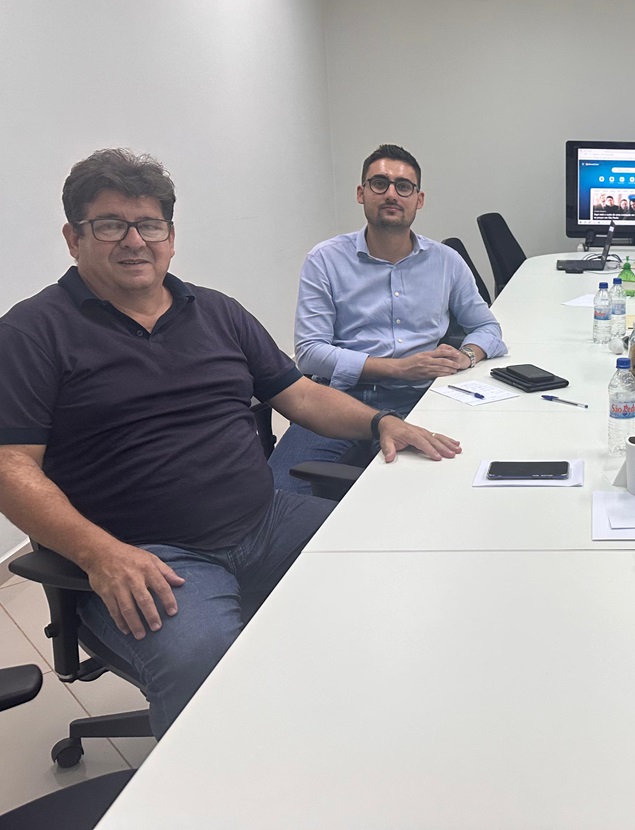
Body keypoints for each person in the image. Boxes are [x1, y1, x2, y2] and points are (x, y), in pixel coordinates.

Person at [0, 149, 461, 737]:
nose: (135, 242)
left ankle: (359, 733)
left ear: (171, 237)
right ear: (73, 238)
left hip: (265, 520)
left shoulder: (216, 311)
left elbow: (300, 394)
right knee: (206, 672)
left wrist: (380, 424)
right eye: (111, 225)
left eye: (150, 225)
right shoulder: (31, 333)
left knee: (393, 566)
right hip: (148, 555)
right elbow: (11, 467)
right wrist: (99, 555)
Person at [267, 144, 505, 493]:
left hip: (422, 398)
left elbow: (487, 327)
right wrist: (397, 368)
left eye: (403, 186)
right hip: (338, 400)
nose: (392, 194)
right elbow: (310, 353)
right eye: (380, 184)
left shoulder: (446, 262)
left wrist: (466, 355)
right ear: (361, 193)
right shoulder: (325, 260)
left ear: (418, 200)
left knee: (444, 488)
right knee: (276, 494)